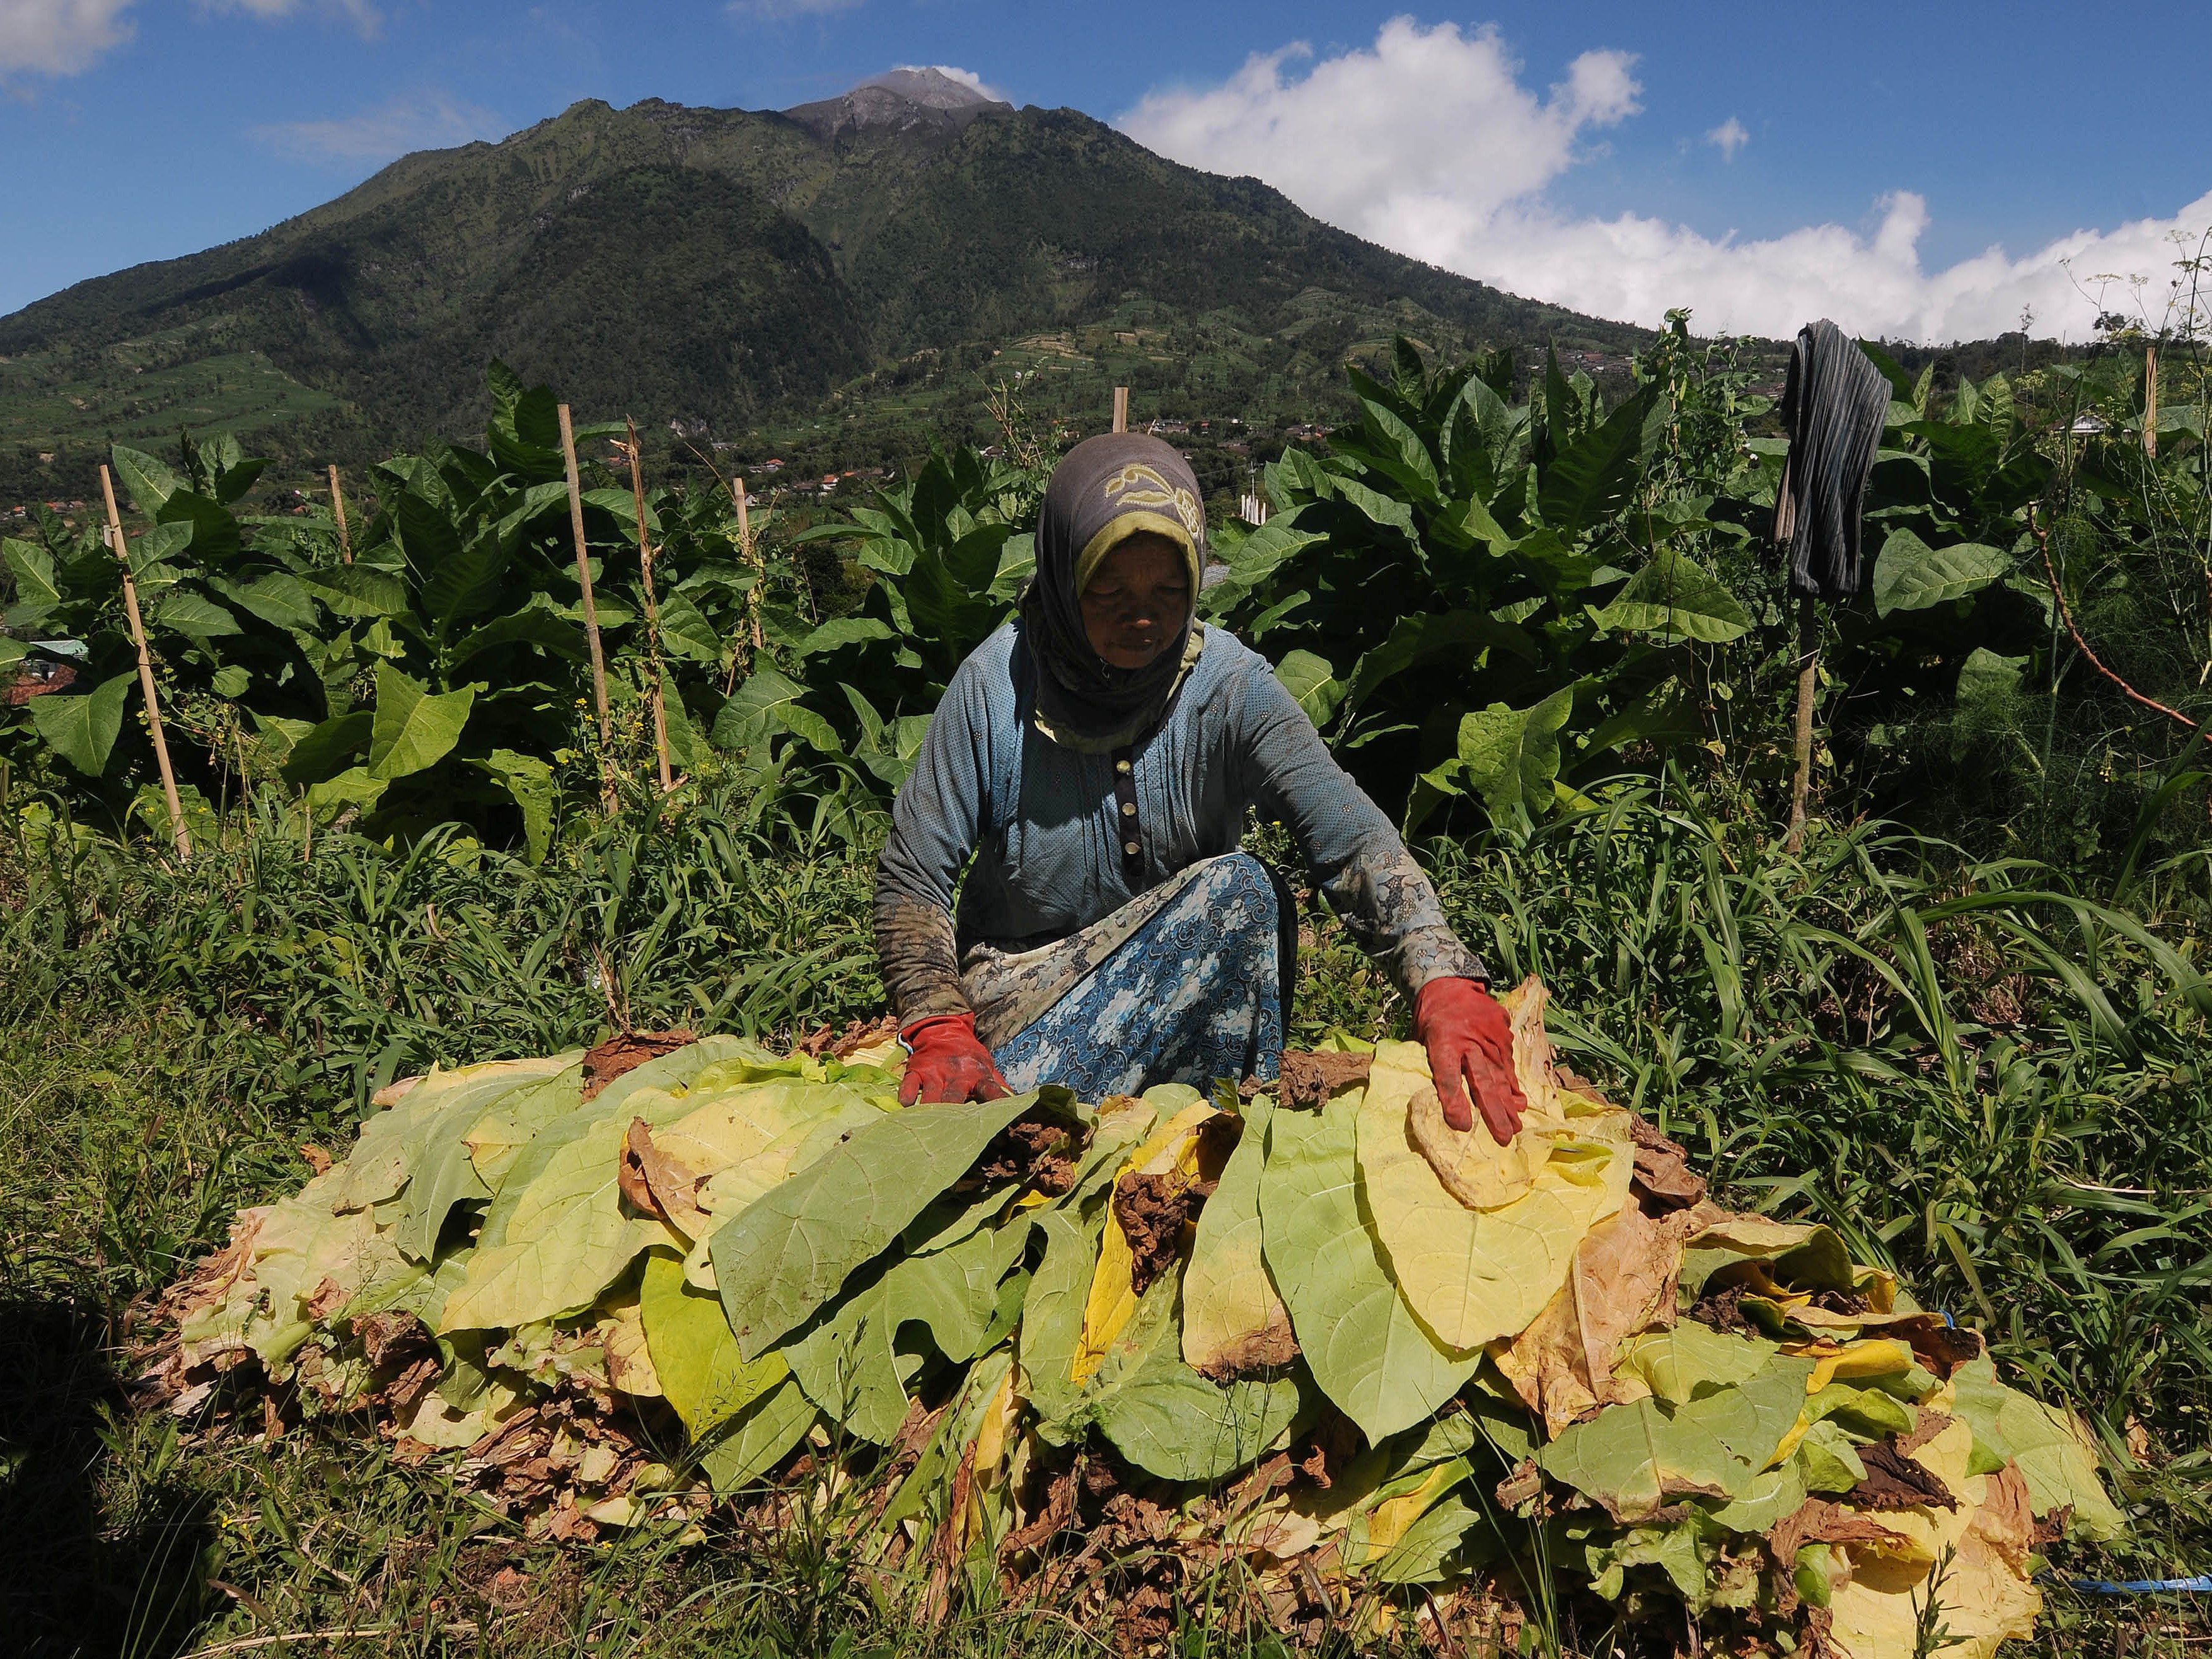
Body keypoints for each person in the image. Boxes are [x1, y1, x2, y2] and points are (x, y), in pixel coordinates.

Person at [872, 433, 1527, 1143]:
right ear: (1062, 577)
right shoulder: (994, 688)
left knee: (1243, 896)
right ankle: (1039, 1130)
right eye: (1109, 590)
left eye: (1169, 590)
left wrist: (1440, 974)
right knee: (1232, 896)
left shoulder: (1230, 686)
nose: (1143, 617)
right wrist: (940, 1025)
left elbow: (1349, 836)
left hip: (1178, 982)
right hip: (1021, 1004)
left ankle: (1203, 1143)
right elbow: (913, 881)